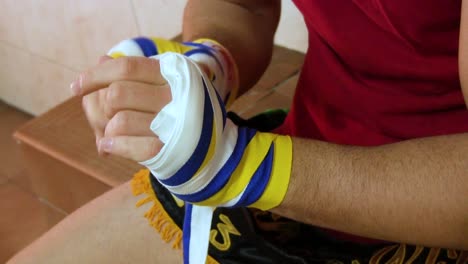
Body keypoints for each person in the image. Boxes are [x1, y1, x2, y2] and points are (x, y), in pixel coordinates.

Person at [7, 0, 468, 263]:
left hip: (436, 208)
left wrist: (245, 167)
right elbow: (240, 4)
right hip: (299, 151)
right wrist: (209, 61)